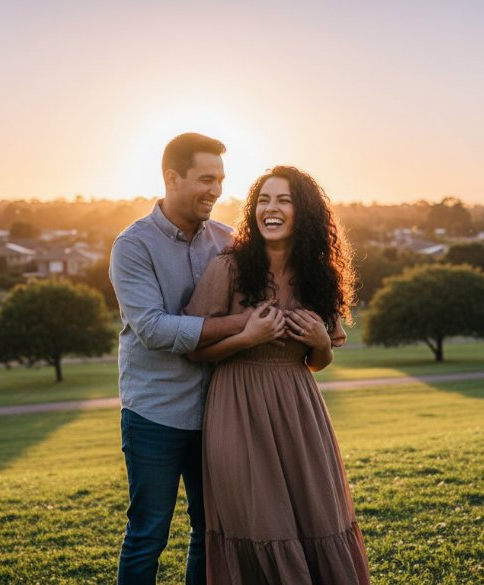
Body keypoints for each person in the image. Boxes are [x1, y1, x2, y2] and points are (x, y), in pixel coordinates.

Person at [184, 166, 370, 584]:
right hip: (237, 408)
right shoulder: (228, 268)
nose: (271, 208)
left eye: (283, 200)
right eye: (263, 200)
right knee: (258, 521)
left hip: (300, 408)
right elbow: (195, 350)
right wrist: (248, 337)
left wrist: (321, 342)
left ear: (303, 212)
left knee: (319, 513)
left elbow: (317, 362)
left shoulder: (318, 276)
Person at [109, 132, 263, 584]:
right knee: (148, 535)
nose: (216, 191)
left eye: (220, 180)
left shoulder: (229, 241)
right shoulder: (132, 246)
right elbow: (154, 328)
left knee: (208, 532)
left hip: (217, 413)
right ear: (171, 178)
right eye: (205, 179)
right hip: (153, 413)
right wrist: (242, 326)